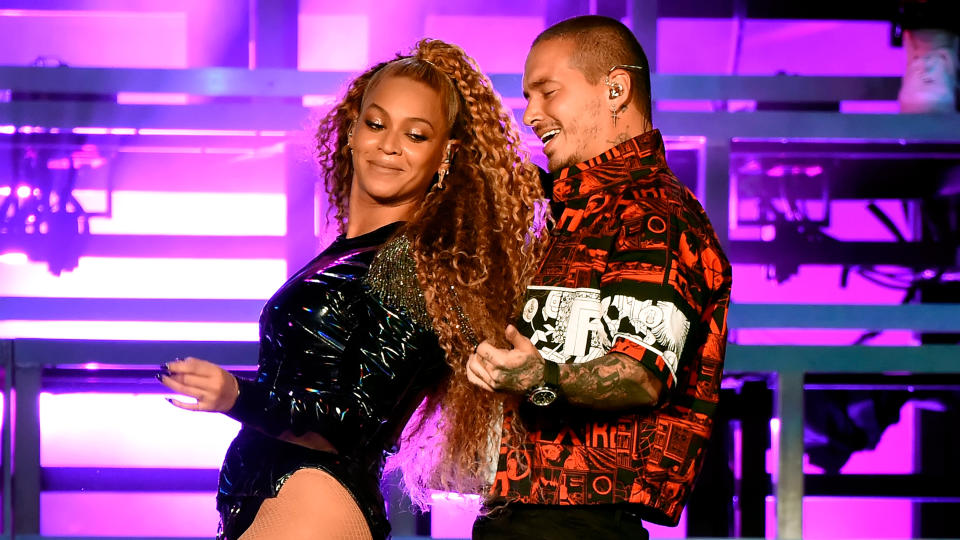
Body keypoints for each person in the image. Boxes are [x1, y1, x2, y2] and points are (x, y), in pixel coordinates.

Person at [159, 38, 547, 540]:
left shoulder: (406, 264)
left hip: (310, 505)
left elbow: (354, 420)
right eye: (377, 123)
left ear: (445, 155)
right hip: (282, 502)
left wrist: (238, 396)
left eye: (416, 134)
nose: (389, 145)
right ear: (351, 128)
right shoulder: (356, 253)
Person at [466, 15, 732, 539]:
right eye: (527, 97)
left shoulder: (654, 213)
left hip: (578, 525)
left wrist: (537, 379)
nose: (530, 114)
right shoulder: (568, 211)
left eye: (547, 93)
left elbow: (640, 374)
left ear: (616, 89)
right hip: (518, 513)